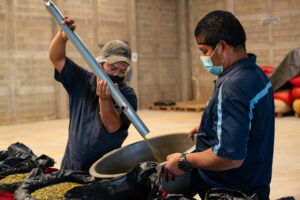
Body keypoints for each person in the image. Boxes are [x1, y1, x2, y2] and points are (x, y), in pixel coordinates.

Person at [164, 10, 274, 200]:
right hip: (255, 183)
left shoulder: (232, 86)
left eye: (204, 51)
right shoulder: (257, 74)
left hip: (230, 191)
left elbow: (229, 157)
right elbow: (251, 123)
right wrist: (214, 126)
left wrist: (183, 161)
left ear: (222, 47)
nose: (204, 58)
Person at [48, 17, 137, 172]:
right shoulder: (81, 80)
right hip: (71, 165)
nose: (116, 73)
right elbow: (57, 58)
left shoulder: (127, 96)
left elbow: (112, 127)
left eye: (122, 71)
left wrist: (105, 99)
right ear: (99, 63)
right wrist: (62, 37)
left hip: (103, 169)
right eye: (112, 68)